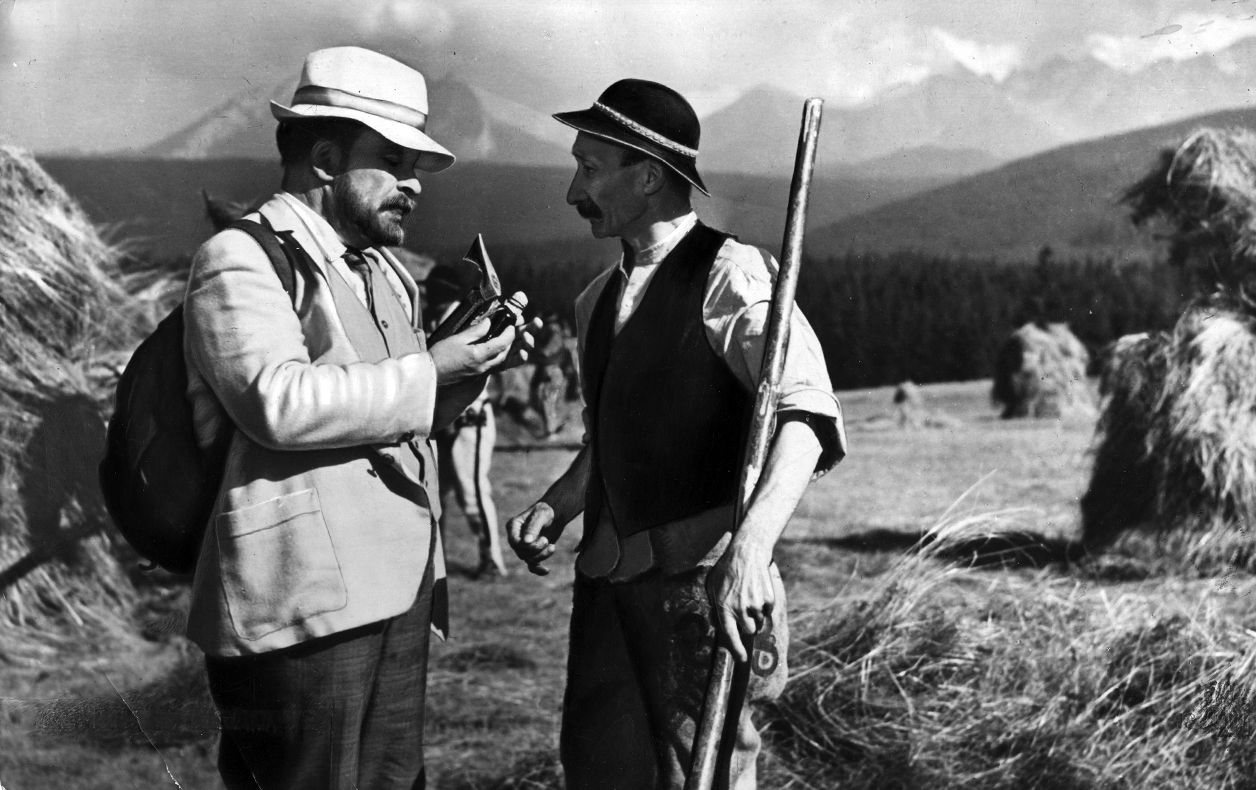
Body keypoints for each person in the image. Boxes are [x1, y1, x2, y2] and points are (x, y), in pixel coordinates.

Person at [182, 47, 529, 790]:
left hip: (398, 589)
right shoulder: (240, 258)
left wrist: (468, 371)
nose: (414, 184)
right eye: (394, 162)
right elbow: (276, 403)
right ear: (326, 159)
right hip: (301, 607)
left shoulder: (383, 271)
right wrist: (432, 370)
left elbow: (400, 415)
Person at [505, 79, 847, 790]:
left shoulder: (732, 277)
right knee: (600, 767)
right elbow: (611, 435)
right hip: (606, 585)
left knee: (705, 769)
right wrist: (557, 505)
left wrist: (751, 550)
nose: (573, 192)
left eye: (590, 169)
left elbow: (806, 416)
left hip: (698, 586)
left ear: (649, 176)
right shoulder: (596, 300)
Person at [423, 264, 507, 578]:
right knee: (437, 492)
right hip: (442, 418)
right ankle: (436, 559)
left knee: (471, 492)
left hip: (470, 417)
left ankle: (492, 560)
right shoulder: (434, 316)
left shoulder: (464, 316)